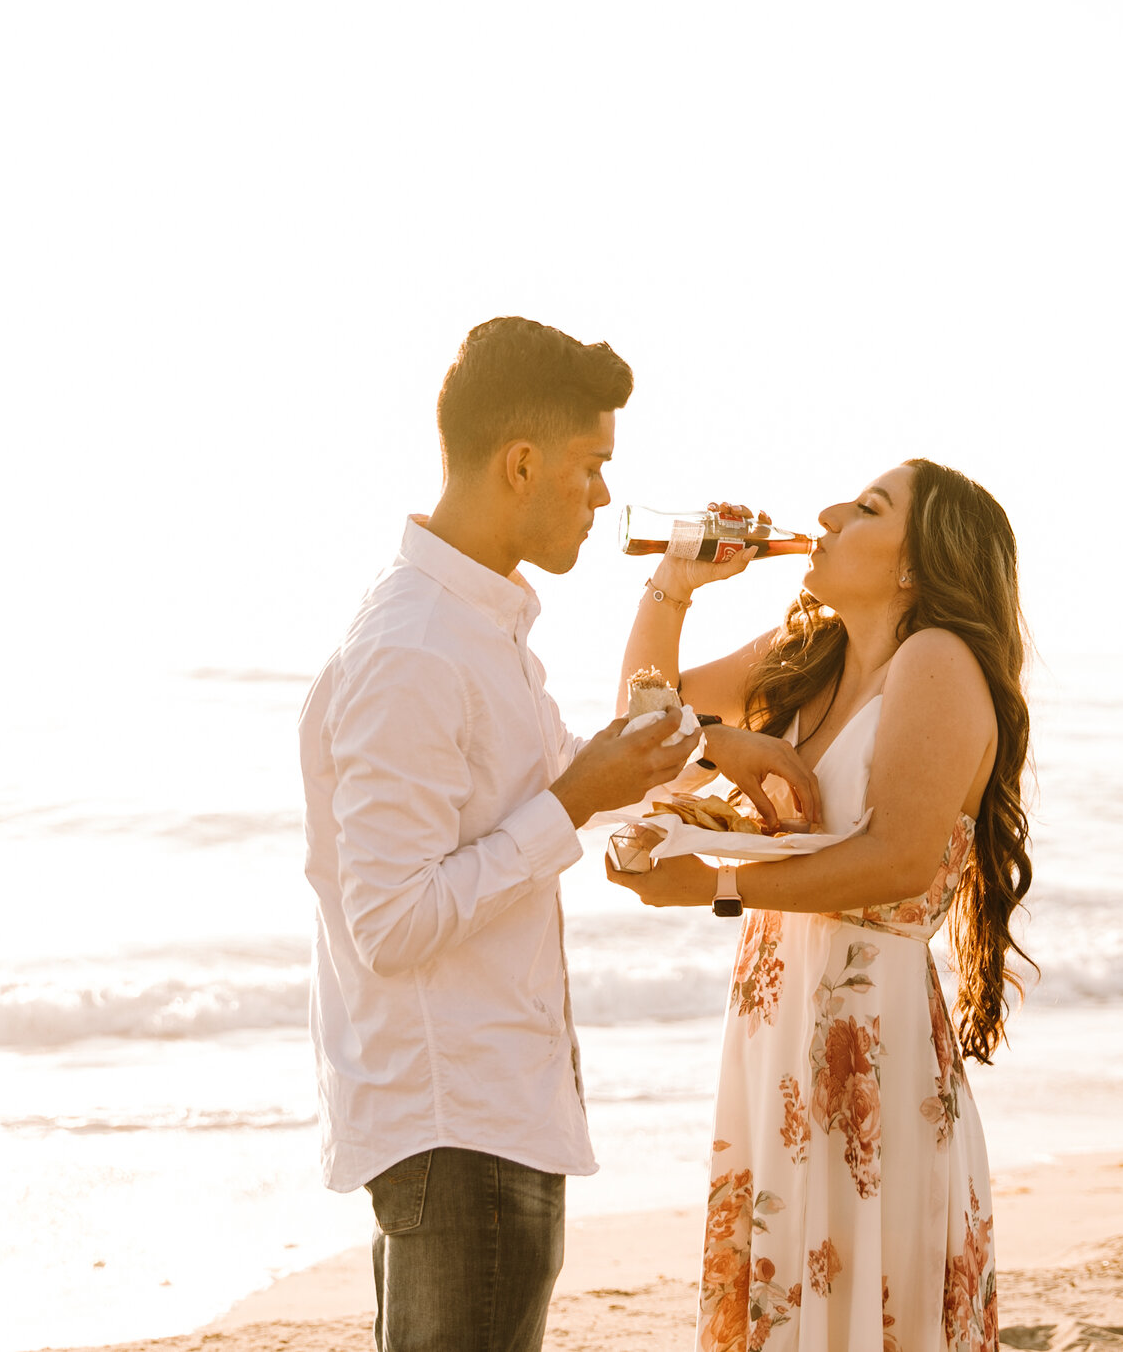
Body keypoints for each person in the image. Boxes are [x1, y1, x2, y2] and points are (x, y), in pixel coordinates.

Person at [300, 316, 822, 1352]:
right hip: (458, 1121)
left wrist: (713, 746)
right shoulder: (413, 648)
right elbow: (391, 921)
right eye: (591, 468)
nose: (599, 496)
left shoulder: (475, 625)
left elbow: (576, 773)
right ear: (522, 460)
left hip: (490, 1110)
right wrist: (574, 803)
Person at [607, 460, 1035, 1352]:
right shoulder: (809, 655)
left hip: (865, 1033)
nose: (830, 512)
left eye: (869, 507)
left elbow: (898, 858)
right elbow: (640, 725)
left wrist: (720, 885)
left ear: (917, 563)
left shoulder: (938, 660)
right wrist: (675, 584)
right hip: (780, 1018)